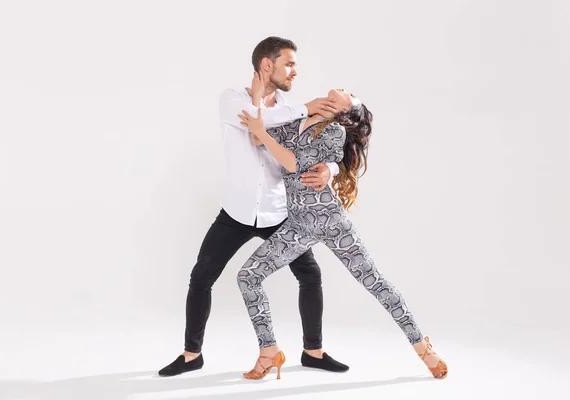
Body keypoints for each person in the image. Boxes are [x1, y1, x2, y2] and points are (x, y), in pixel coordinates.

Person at [158, 36, 349, 377]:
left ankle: (313, 352)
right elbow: (254, 125)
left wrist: (331, 170)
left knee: (310, 274)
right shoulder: (231, 99)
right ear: (266, 65)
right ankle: (191, 355)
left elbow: (322, 145)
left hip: (280, 213)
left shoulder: (292, 110)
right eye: (288, 63)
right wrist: (305, 106)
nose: (295, 71)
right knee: (201, 276)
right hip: (235, 213)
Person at [236, 82, 449, 380]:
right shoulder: (296, 121)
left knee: (375, 282)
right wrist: (258, 100)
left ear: (345, 111)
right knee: (248, 276)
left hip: (332, 222)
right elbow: (257, 137)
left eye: (349, 92)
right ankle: (269, 350)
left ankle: (422, 346)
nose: (343, 87)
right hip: (299, 224)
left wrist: (261, 133)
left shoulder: (334, 132)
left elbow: (295, 163)